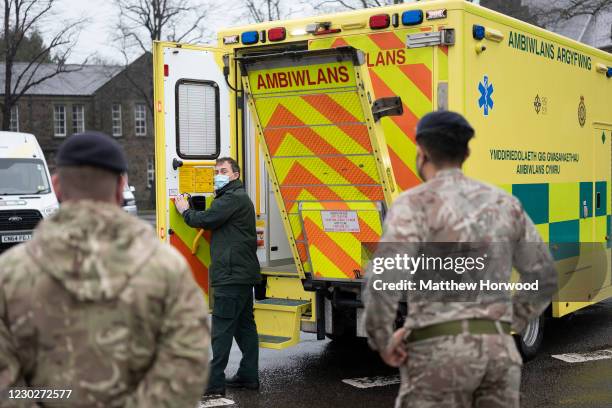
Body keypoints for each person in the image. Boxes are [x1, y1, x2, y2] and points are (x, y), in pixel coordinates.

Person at [0, 131, 210, 407]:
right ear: (121, 187)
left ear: (57, 185)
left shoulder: (10, 272)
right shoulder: (165, 267)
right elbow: (188, 365)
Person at [363, 111, 557, 408]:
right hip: (499, 355)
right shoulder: (504, 203)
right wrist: (507, 321)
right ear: (466, 153)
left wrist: (383, 340)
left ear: (422, 152)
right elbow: (544, 276)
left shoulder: (412, 205)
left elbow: (382, 281)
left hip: (435, 354)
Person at [174, 157, 261, 397]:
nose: (217, 175)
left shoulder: (233, 198)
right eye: (216, 171)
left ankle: (213, 383)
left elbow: (206, 220)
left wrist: (184, 210)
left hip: (231, 275)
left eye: (222, 171)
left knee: (222, 329)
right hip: (241, 275)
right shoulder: (233, 198)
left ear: (235, 175)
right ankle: (248, 375)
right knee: (244, 327)